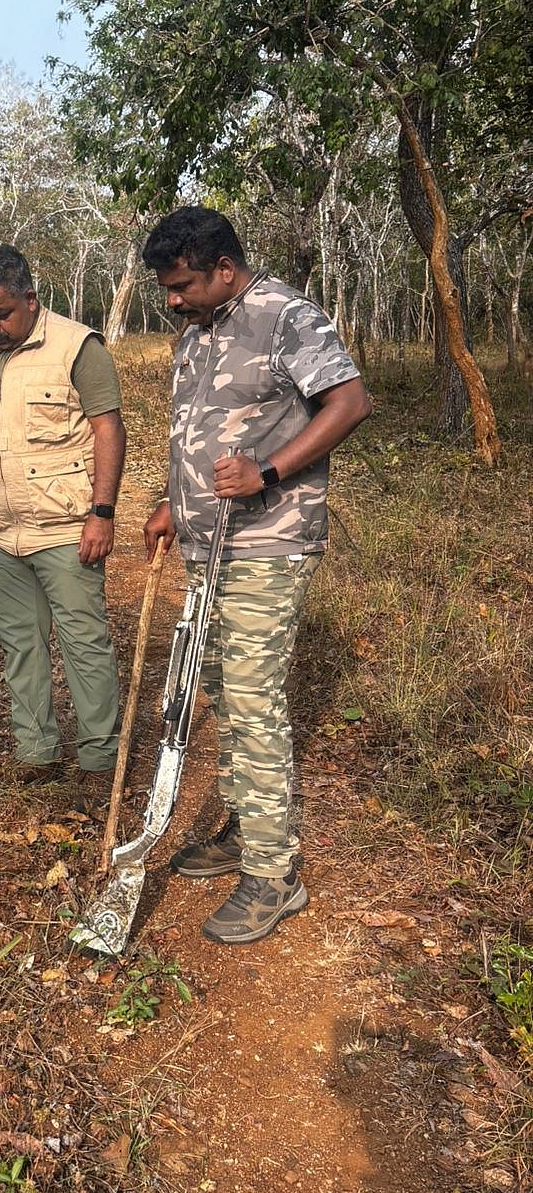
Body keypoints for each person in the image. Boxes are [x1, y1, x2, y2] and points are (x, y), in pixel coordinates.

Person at [142, 206, 372, 945]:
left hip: (270, 542)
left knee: (251, 697)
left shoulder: (285, 316)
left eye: (182, 284)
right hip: (206, 544)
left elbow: (350, 402)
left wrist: (268, 470)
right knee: (219, 689)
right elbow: (198, 431)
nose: (172, 298)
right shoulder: (197, 331)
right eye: (167, 287)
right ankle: (245, 826)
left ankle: (275, 874)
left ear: (224, 269)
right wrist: (171, 502)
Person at [0, 244, 126, 815]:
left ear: (30, 299)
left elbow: (108, 428)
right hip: (0, 530)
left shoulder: (77, 347)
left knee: (84, 643)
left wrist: (102, 513)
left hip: (66, 527)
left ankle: (100, 758)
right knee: (20, 644)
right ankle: (37, 749)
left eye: (1, 314)